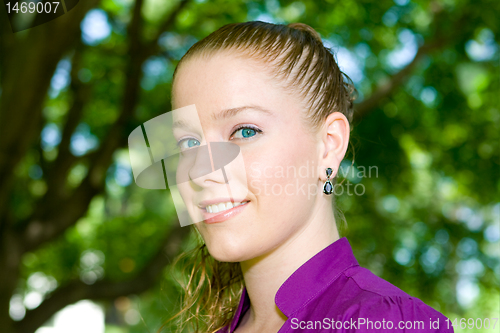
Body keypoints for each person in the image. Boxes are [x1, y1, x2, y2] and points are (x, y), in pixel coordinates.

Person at [165, 21, 453, 333]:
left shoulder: (389, 324)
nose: (200, 170)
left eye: (244, 131)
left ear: (328, 146)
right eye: (188, 143)